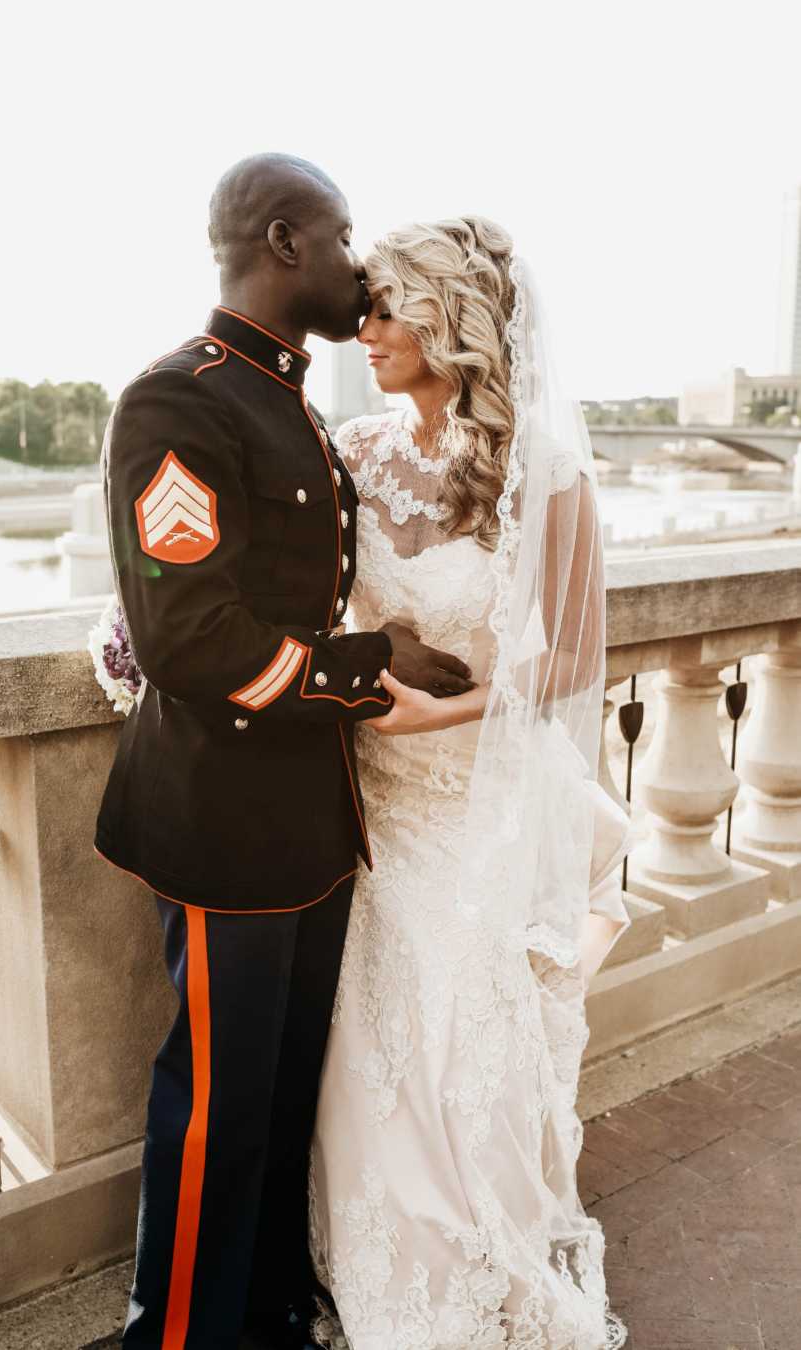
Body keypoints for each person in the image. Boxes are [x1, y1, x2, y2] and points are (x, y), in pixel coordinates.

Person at [94, 157, 473, 1350]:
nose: (359, 260)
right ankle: (186, 1335)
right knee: (216, 1106)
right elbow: (190, 637)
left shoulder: (291, 401)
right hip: (223, 826)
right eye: (343, 231)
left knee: (279, 1095)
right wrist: (375, 664)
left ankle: (264, 1314)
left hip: (309, 824)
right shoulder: (182, 402)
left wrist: (378, 648)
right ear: (284, 239)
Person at [309, 218, 631, 1349]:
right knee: (373, 1047)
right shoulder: (348, 450)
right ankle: (385, 1271)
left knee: (465, 1054)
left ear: (457, 324)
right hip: (370, 804)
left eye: (392, 308)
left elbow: (578, 657)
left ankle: (482, 1272)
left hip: (473, 803)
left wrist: (442, 709)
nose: (370, 329)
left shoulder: (544, 469)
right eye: (369, 307)